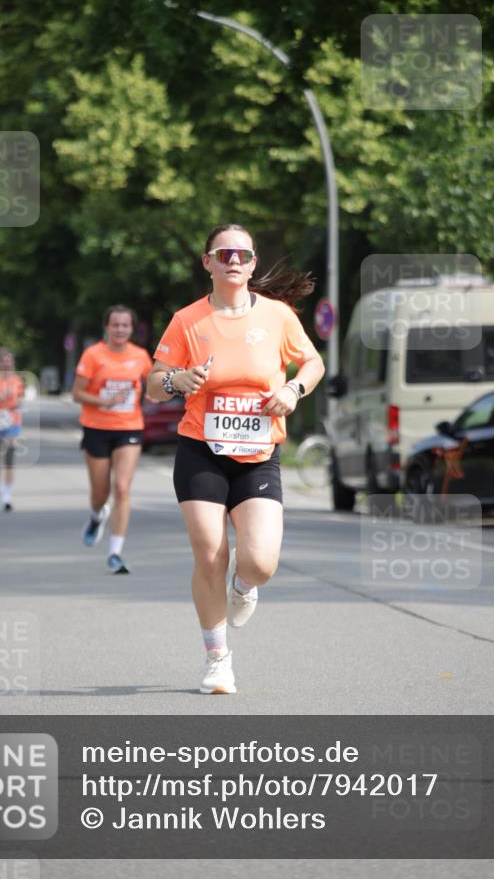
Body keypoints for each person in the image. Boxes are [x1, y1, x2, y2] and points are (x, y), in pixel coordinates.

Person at [147, 224, 325, 695]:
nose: (233, 261)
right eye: (223, 253)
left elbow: (313, 363)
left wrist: (293, 388)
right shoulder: (187, 320)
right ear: (208, 262)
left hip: (259, 453)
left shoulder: (278, 316)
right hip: (200, 448)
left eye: (242, 255)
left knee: (261, 562)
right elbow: (153, 380)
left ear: (251, 264)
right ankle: (217, 660)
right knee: (210, 551)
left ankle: (245, 587)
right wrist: (176, 381)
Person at [72, 306, 152, 572]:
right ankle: (97, 517)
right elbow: (77, 393)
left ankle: (115, 552)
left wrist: (155, 393)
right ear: (106, 328)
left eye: (125, 325)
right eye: (115, 325)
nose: (120, 330)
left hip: (129, 428)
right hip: (96, 427)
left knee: (122, 488)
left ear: (132, 329)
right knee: (100, 493)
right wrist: (104, 401)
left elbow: (152, 386)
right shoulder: (93, 355)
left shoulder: (140, 356)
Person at [0, 348, 25, 512]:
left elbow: (20, 399)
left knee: (10, 456)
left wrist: (17, 402)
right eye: (4, 361)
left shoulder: (17, 380)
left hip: (12, 421)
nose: (7, 364)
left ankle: (7, 496)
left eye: (10, 361)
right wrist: (2, 398)